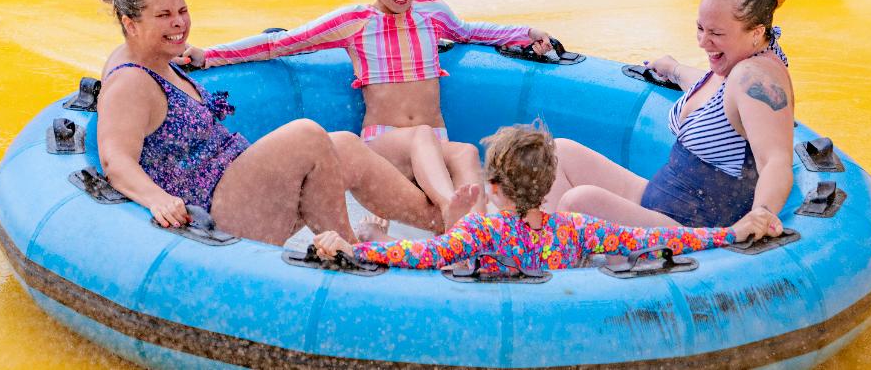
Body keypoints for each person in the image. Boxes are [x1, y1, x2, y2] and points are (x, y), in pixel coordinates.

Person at [180, 0, 553, 230]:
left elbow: (474, 31)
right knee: (420, 135)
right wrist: (210, 55)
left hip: (433, 146)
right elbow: (283, 42)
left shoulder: (433, 13)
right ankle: (447, 208)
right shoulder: (355, 22)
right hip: (382, 146)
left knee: (468, 152)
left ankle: (478, 231)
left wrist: (526, 34)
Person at [94, 0, 443, 246]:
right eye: (163, 15)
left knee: (346, 147)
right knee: (306, 134)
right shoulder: (130, 82)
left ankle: (443, 220)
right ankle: (348, 251)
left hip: (242, 194)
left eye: (182, 10)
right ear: (131, 24)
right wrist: (157, 199)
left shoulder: (156, 58)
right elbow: (115, 160)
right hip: (216, 218)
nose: (179, 23)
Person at [540, 0, 794, 237]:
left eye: (716, 33)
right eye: (700, 28)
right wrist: (674, 69)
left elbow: (776, 159)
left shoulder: (757, 78)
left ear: (755, 32)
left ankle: (553, 258)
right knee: (558, 152)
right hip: (662, 198)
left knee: (579, 202)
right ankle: (549, 245)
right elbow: (713, 90)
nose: (702, 42)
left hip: (692, 228)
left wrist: (762, 213)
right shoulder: (741, 62)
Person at [313, 124, 760, 270]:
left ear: (493, 186)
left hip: (491, 293)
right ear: (549, 187)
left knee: (443, 255)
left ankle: (368, 232)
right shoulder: (577, 228)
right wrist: (729, 233)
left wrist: (359, 249)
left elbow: (422, 255)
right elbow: (659, 241)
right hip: (547, 286)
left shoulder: (480, 230)